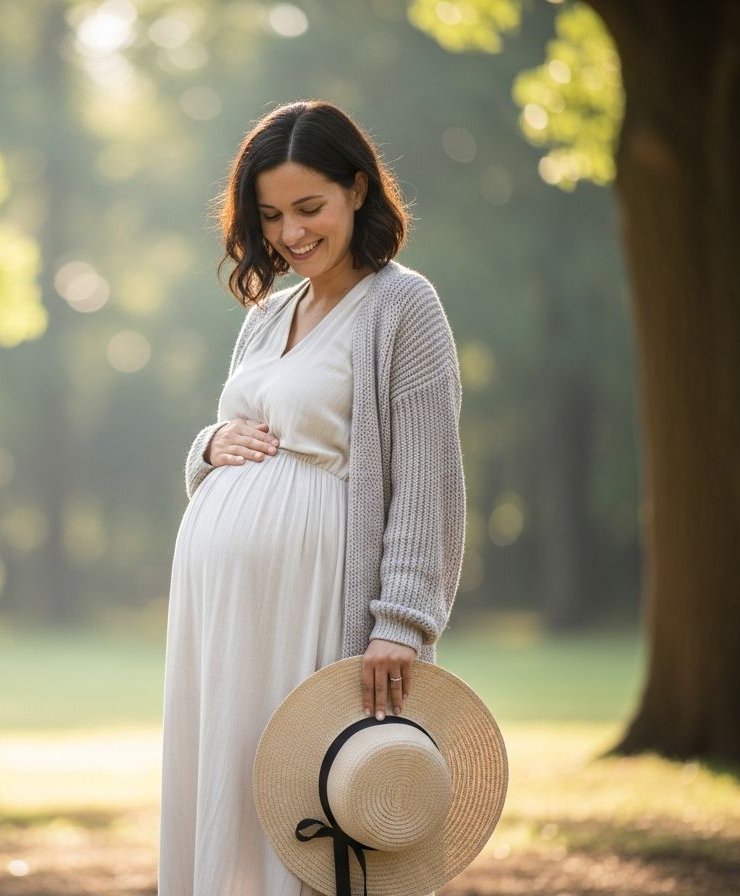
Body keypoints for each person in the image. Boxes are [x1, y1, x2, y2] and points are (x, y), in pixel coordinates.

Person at [158, 99, 466, 896]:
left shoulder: (405, 307)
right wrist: (207, 447)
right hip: (223, 617)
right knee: (231, 780)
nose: (290, 234)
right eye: (270, 217)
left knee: (315, 802)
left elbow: (427, 481)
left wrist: (400, 620)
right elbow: (241, 429)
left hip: (315, 602)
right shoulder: (267, 315)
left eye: (308, 208)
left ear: (358, 190)